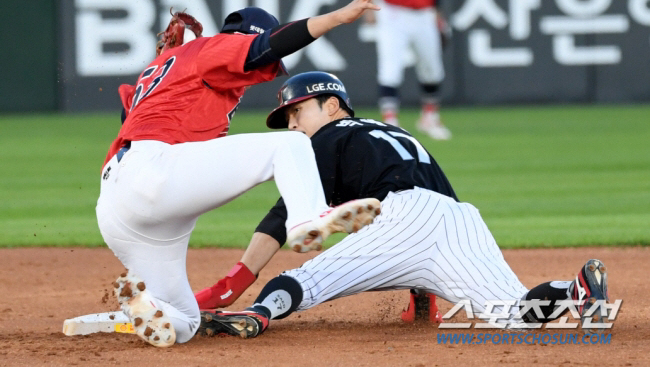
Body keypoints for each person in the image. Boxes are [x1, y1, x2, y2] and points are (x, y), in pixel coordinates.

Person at [196, 71, 610, 338]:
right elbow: (423, 203)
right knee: (516, 313)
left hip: (404, 219)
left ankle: (257, 313)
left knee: (307, 280)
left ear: (332, 106)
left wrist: (236, 278)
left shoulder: (326, 137)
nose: (292, 126)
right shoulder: (386, 132)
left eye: (297, 112)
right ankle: (576, 289)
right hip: (459, 219)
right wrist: (424, 294)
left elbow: (282, 215)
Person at [96, 0, 389, 348]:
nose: (264, 70)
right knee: (289, 145)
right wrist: (337, 17)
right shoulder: (215, 48)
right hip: (154, 173)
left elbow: (130, 119)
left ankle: (144, 302)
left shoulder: (171, 66)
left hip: (121, 206)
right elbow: (264, 47)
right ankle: (309, 218)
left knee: (183, 323)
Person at [363, 0, 453, 139]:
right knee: (390, 70)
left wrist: (437, 11)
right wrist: (368, 8)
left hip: (425, 13)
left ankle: (429, 117)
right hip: (394, 13)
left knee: (432, 70)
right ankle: (390, 120)